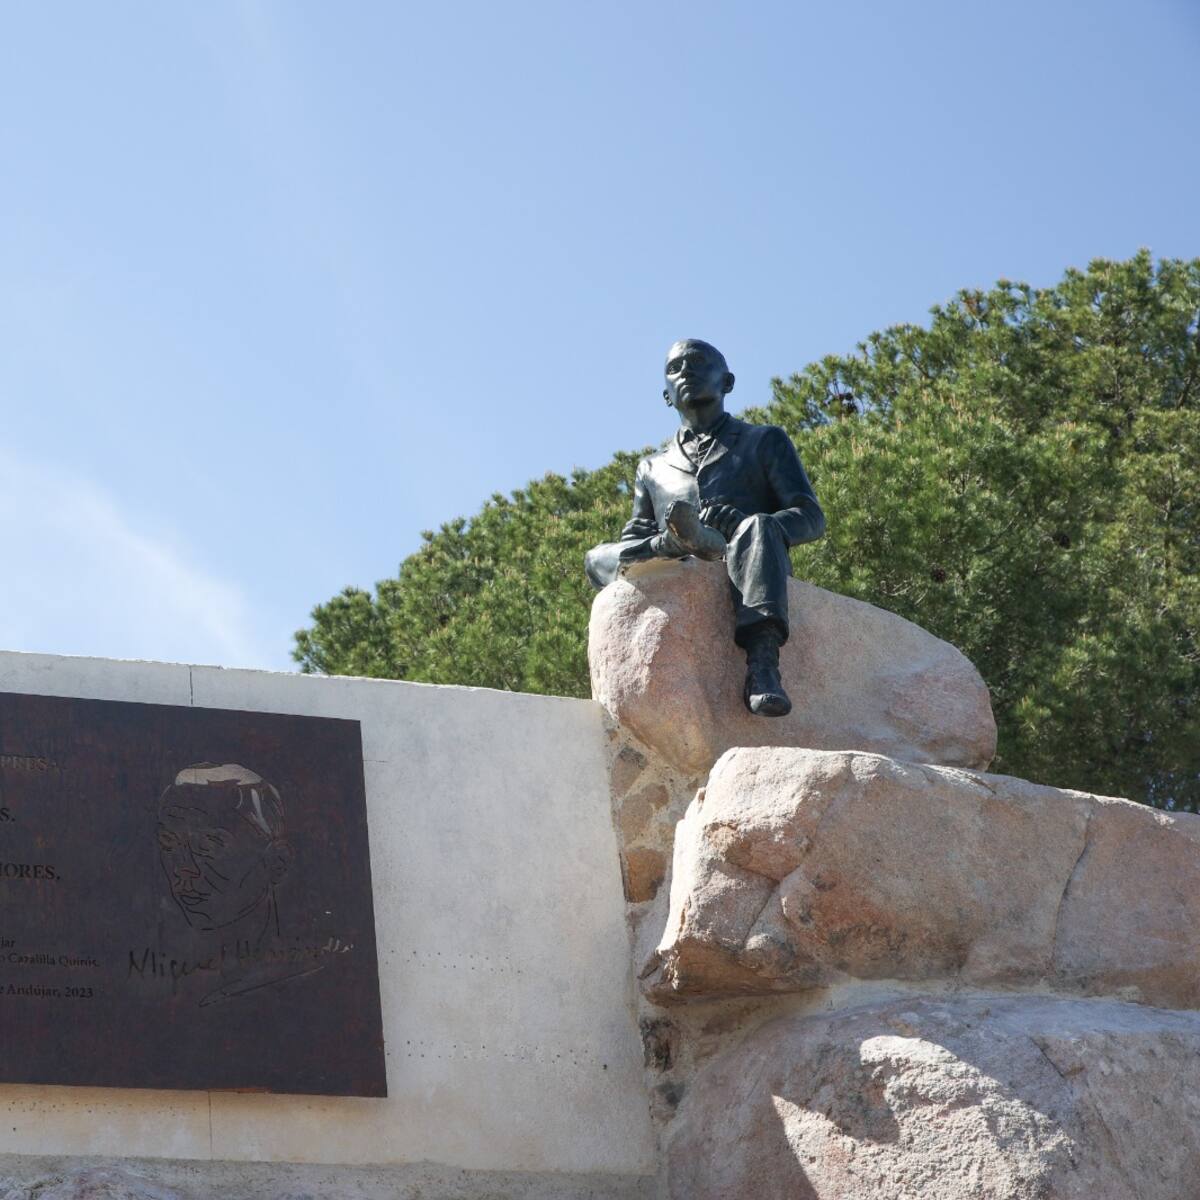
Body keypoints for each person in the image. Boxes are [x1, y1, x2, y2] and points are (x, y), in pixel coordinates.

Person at [584, 339, 825, 716]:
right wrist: (666, 543)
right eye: (675, 369)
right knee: (596, 557)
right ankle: (682, 540)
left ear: (727, 382)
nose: (686, 373)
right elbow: (632, 541)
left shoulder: (764, 440)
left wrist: (744, 524)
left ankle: (763, 665)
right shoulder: (652, 467)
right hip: (678, 558)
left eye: (698, 363)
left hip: (747, 556)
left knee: (757, 526)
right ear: (666, 396)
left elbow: (810, 517)